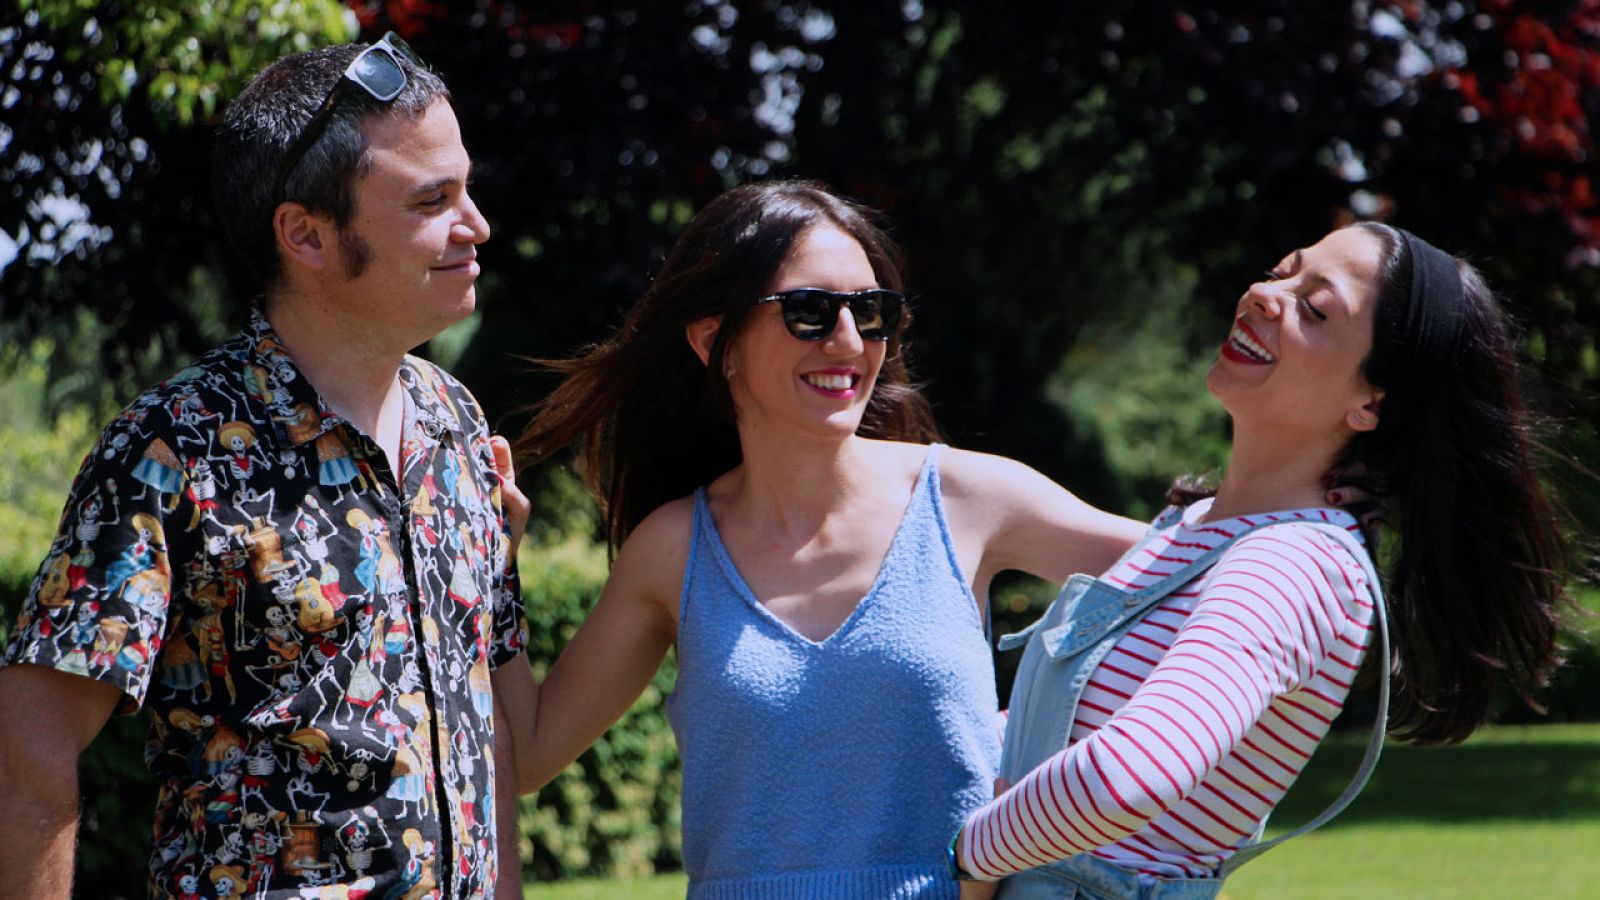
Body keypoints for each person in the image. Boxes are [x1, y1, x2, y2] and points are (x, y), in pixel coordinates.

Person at [501, 180, 1152, 898]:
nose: (849, 341)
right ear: (715, 341)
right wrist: (494, 574)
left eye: (871, 313)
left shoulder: (971, 499)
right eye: (810, 312)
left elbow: (1197, 575)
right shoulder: (674, 548)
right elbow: (530, 754)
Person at [0, 34, 532, 898]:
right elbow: (31, 731)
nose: (476, 226)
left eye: (466, 189)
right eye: (433, 201)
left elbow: (485, 718)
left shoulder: (458, 422)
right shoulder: (173, 446)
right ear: (307, 236)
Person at [947, 224, 1572, 897]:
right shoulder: (1193, 529)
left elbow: (1131, 775)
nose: (1265, 295)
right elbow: (1058, 739)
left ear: (1371, 402)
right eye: (1281, 271)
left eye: (1316, 308)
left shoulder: (1293, 565)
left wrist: (965, 854)